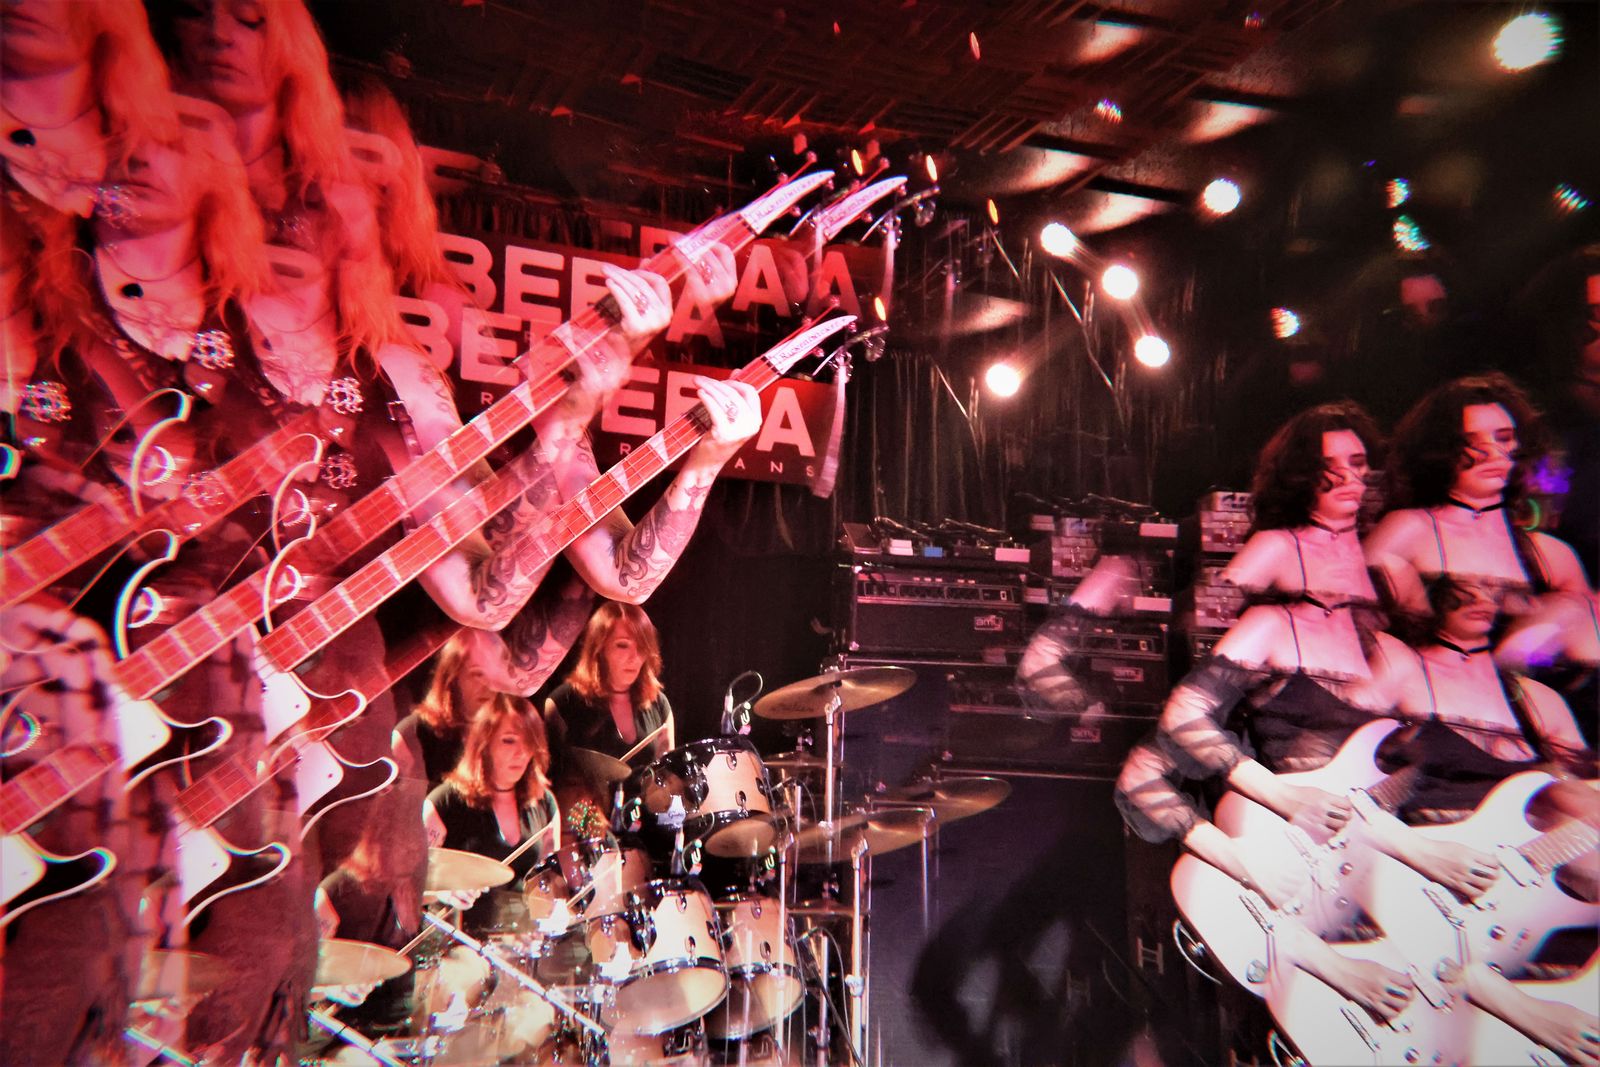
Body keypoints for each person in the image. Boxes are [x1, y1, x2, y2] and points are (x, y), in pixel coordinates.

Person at [1366, 373, 1591, 630]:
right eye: (1471, 441)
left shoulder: (1553, 556)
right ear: (1440, 450)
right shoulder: (1409, 528)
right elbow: (1355, 627)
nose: (1492, 452)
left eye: (1503, 438)